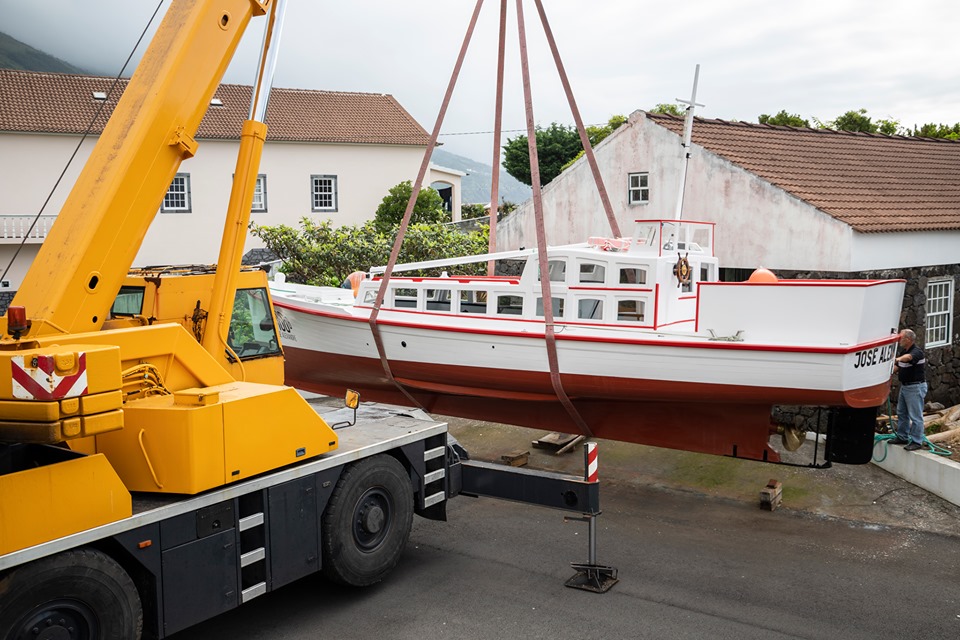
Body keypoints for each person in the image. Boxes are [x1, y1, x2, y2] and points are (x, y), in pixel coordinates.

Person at [891, 329, 927, 451]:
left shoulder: (916, 352)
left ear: (908, 339)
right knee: (902, 412)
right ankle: (902, 436)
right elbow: (896, 368)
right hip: (905, 386)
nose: (899, 340)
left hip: (915, 387)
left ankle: (917, 441)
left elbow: (908, 358)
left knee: (915, 416)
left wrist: (897, 359)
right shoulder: (904, 351)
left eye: (901, 338)